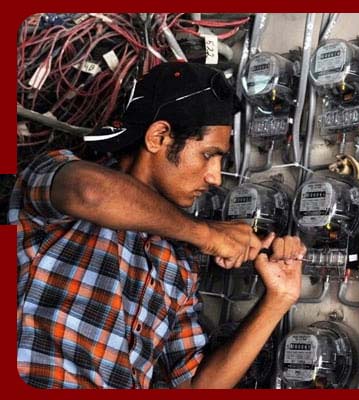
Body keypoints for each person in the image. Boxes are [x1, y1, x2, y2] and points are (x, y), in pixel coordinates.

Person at [10, 62, 305, 388]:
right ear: (158, 137)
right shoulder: (58, 175)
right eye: (209, 155)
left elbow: (198, 387)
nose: (215, 177)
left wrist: (278, 299)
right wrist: (207, 235)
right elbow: (91, 193)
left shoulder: (179, 265)